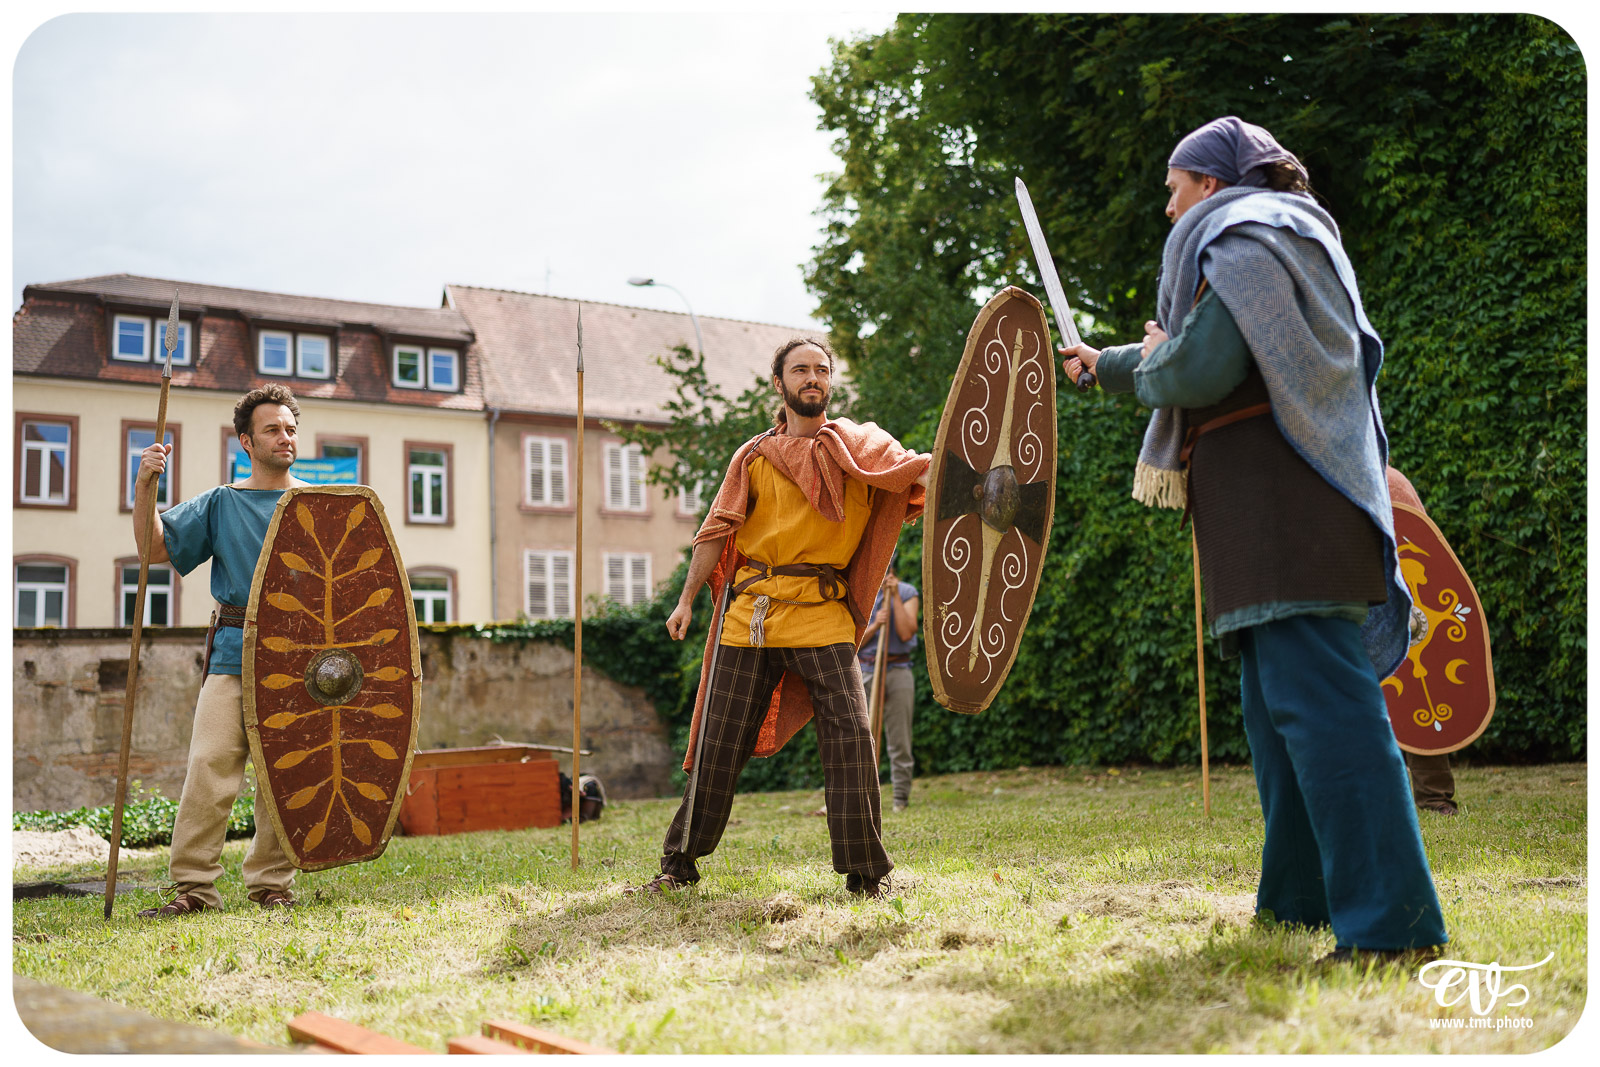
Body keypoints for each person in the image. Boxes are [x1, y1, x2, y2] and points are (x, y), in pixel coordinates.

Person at [1059, 117, 1447, 963]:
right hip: (1259, 516)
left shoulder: (1251, 233)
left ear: (1209, 181)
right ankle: (1298, 906)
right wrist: (1117, 361)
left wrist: (1148, 361)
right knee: (1280, 720)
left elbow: (1200, 366)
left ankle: (1392, 928)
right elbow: (1196, 352)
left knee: (1329, 717)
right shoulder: (1257, 238)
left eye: (1172, 188)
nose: (1168, 209)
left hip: (1290, 508)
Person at [628, 337, 930, 899]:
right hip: (751, 619)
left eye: (821, 370)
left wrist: (970, 480)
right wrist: (687, 598)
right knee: (718, 744)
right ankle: (676, 868)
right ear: (780, 382)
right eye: (800, 370)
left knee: (851, 741)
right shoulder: (753, 458)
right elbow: (717, 531)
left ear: (830, 383)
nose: (812, 378)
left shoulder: (862, 450)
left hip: (823, 618)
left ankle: (867, 876)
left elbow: (918, 476)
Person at [133, 383, 309, 917]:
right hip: (235, 651)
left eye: (291, 429)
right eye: (273, 430)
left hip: (303, 662)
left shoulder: (317, 505)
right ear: (246, 442)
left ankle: (272, 884)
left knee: (287, 775)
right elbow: (152, 547)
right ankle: (193, 888)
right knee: (209, 764)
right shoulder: (221, 503)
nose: (286, 438)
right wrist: (146, 487)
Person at [1386, 464, 1459, 816]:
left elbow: (1421, 547)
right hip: (1368, 604)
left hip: (1405, 607)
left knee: (1418, 695)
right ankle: (1431, 799)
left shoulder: (1390, 482)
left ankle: (1433, 797)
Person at [859, 570, 920, 812]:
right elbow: (850, 641)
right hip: (865, 670)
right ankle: (858, 799)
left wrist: (894, 596)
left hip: (897, 669)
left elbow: (906, 632)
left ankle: (900, 801)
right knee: (858, 739)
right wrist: (875, 625)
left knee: (899, 740)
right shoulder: (862, 592)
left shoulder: (907, 592)